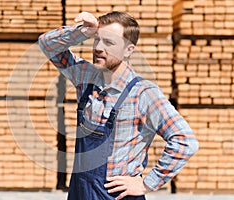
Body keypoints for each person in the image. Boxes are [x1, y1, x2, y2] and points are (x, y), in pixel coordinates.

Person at [39, 11, 199, 200]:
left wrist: (147, 183)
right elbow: (47, 44)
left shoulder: (143, 94)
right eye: (97, 39)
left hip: (116, 196)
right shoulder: (85, 77)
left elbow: (185, 141)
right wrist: (83, 31)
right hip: (80, 192)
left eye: (109, 42)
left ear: (128, 50)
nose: (98, 47)